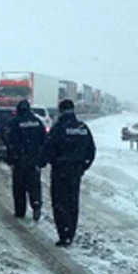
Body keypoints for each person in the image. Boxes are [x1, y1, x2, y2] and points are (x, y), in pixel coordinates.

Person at [39, 98, 96, 247]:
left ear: (61, 111)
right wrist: (83, 166)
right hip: (75, 172)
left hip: (60, 171)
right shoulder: (83, 128)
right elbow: (91, 150)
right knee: (72, 202)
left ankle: (64, 235)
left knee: (60, 202)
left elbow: (49, 148)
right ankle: (70, 232)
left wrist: (42, 162)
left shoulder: (59, 128)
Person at [4, 99, 47, 220]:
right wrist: (41, 158)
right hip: (34, 160)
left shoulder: (15, 122)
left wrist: (11, 158)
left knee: (19, 187)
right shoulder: (37, 122)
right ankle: (36, 204)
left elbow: (10, 141)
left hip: (20, 160)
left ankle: (20, 210)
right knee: (34, 185)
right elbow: (44, 140)